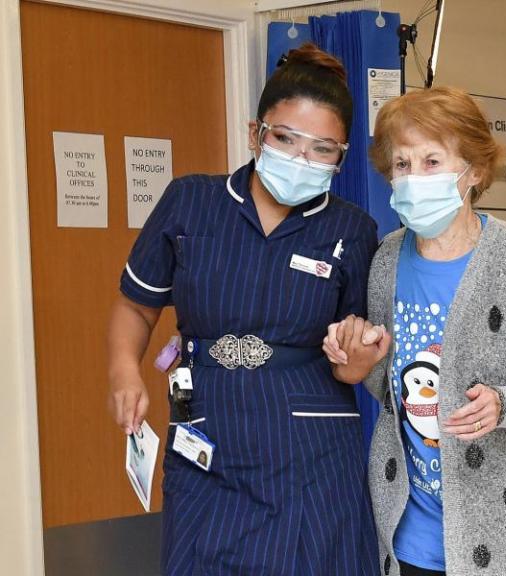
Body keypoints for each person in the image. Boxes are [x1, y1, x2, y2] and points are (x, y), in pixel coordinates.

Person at [106, 44, 379, 575]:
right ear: (256, 133)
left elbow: (353, 352)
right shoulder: (190, 202)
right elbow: (136, 306)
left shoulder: (352, 230)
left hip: (313, 449)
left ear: (342, 157)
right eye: (285, 139)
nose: (302, 159)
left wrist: (359, 363)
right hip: (208, 429)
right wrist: (124, 372)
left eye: (323, 149)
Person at [322, 86, 506, 576]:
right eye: (401, 165)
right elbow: (393, 387)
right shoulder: (386, 259)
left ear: (475, 171)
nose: (412, 178)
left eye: (431, 161)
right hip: (416, 531)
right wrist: (360, 359)